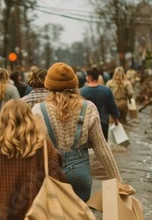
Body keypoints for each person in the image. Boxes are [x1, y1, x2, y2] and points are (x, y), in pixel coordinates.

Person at [32, 62, 131, 202]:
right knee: (80, 218)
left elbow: (34, 150)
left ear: (48, 86)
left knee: (55, 218)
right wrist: (119, 182)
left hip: (51, 173)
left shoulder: (38, 110)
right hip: (80, 176)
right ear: (75, 85)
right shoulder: (88, 108)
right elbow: (101, 148)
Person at [80, 67, 120, 141]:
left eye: (86, 76)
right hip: (103, 123)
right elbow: (112, 106)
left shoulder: (81, 92)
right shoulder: (107, 90)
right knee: (103, 147)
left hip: (87, 124)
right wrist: (116, 119)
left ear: (89, 77)